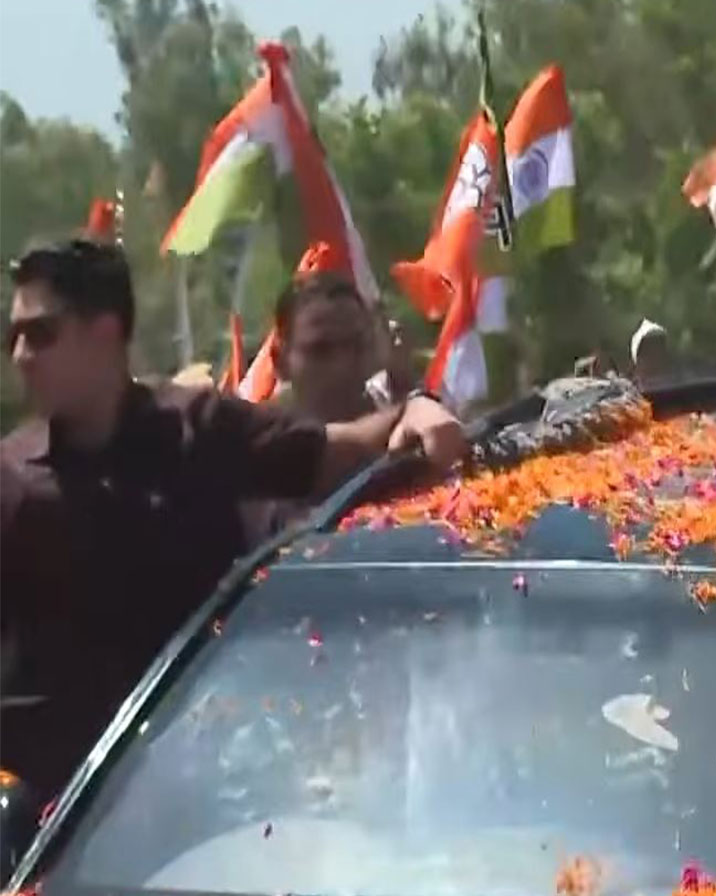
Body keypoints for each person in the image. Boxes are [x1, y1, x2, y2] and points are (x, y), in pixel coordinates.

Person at [0, 238, 466, 799]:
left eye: (41, 334)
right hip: (49, 825)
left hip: (202, 799)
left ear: (104, 332)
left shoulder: (198, 430)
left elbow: (339, 454)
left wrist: (417, 406)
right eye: (15, 336)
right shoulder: (11, 477)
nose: (21, 355)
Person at [270, 271, 407, 423]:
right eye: (321, 350)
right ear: (280, 362)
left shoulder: (417, 432)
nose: (342, 366)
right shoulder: (260, 443)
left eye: (356, 345)